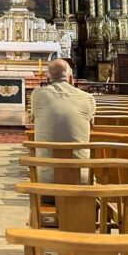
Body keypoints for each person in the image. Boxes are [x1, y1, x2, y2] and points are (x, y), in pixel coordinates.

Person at [31, 59, 96, 189]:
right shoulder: (88, 98)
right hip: (83, 184)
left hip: (45, 185)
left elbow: (34, 120)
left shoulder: (37, 96)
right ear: (71, 78)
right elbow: (91, 127)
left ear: (48, 78)